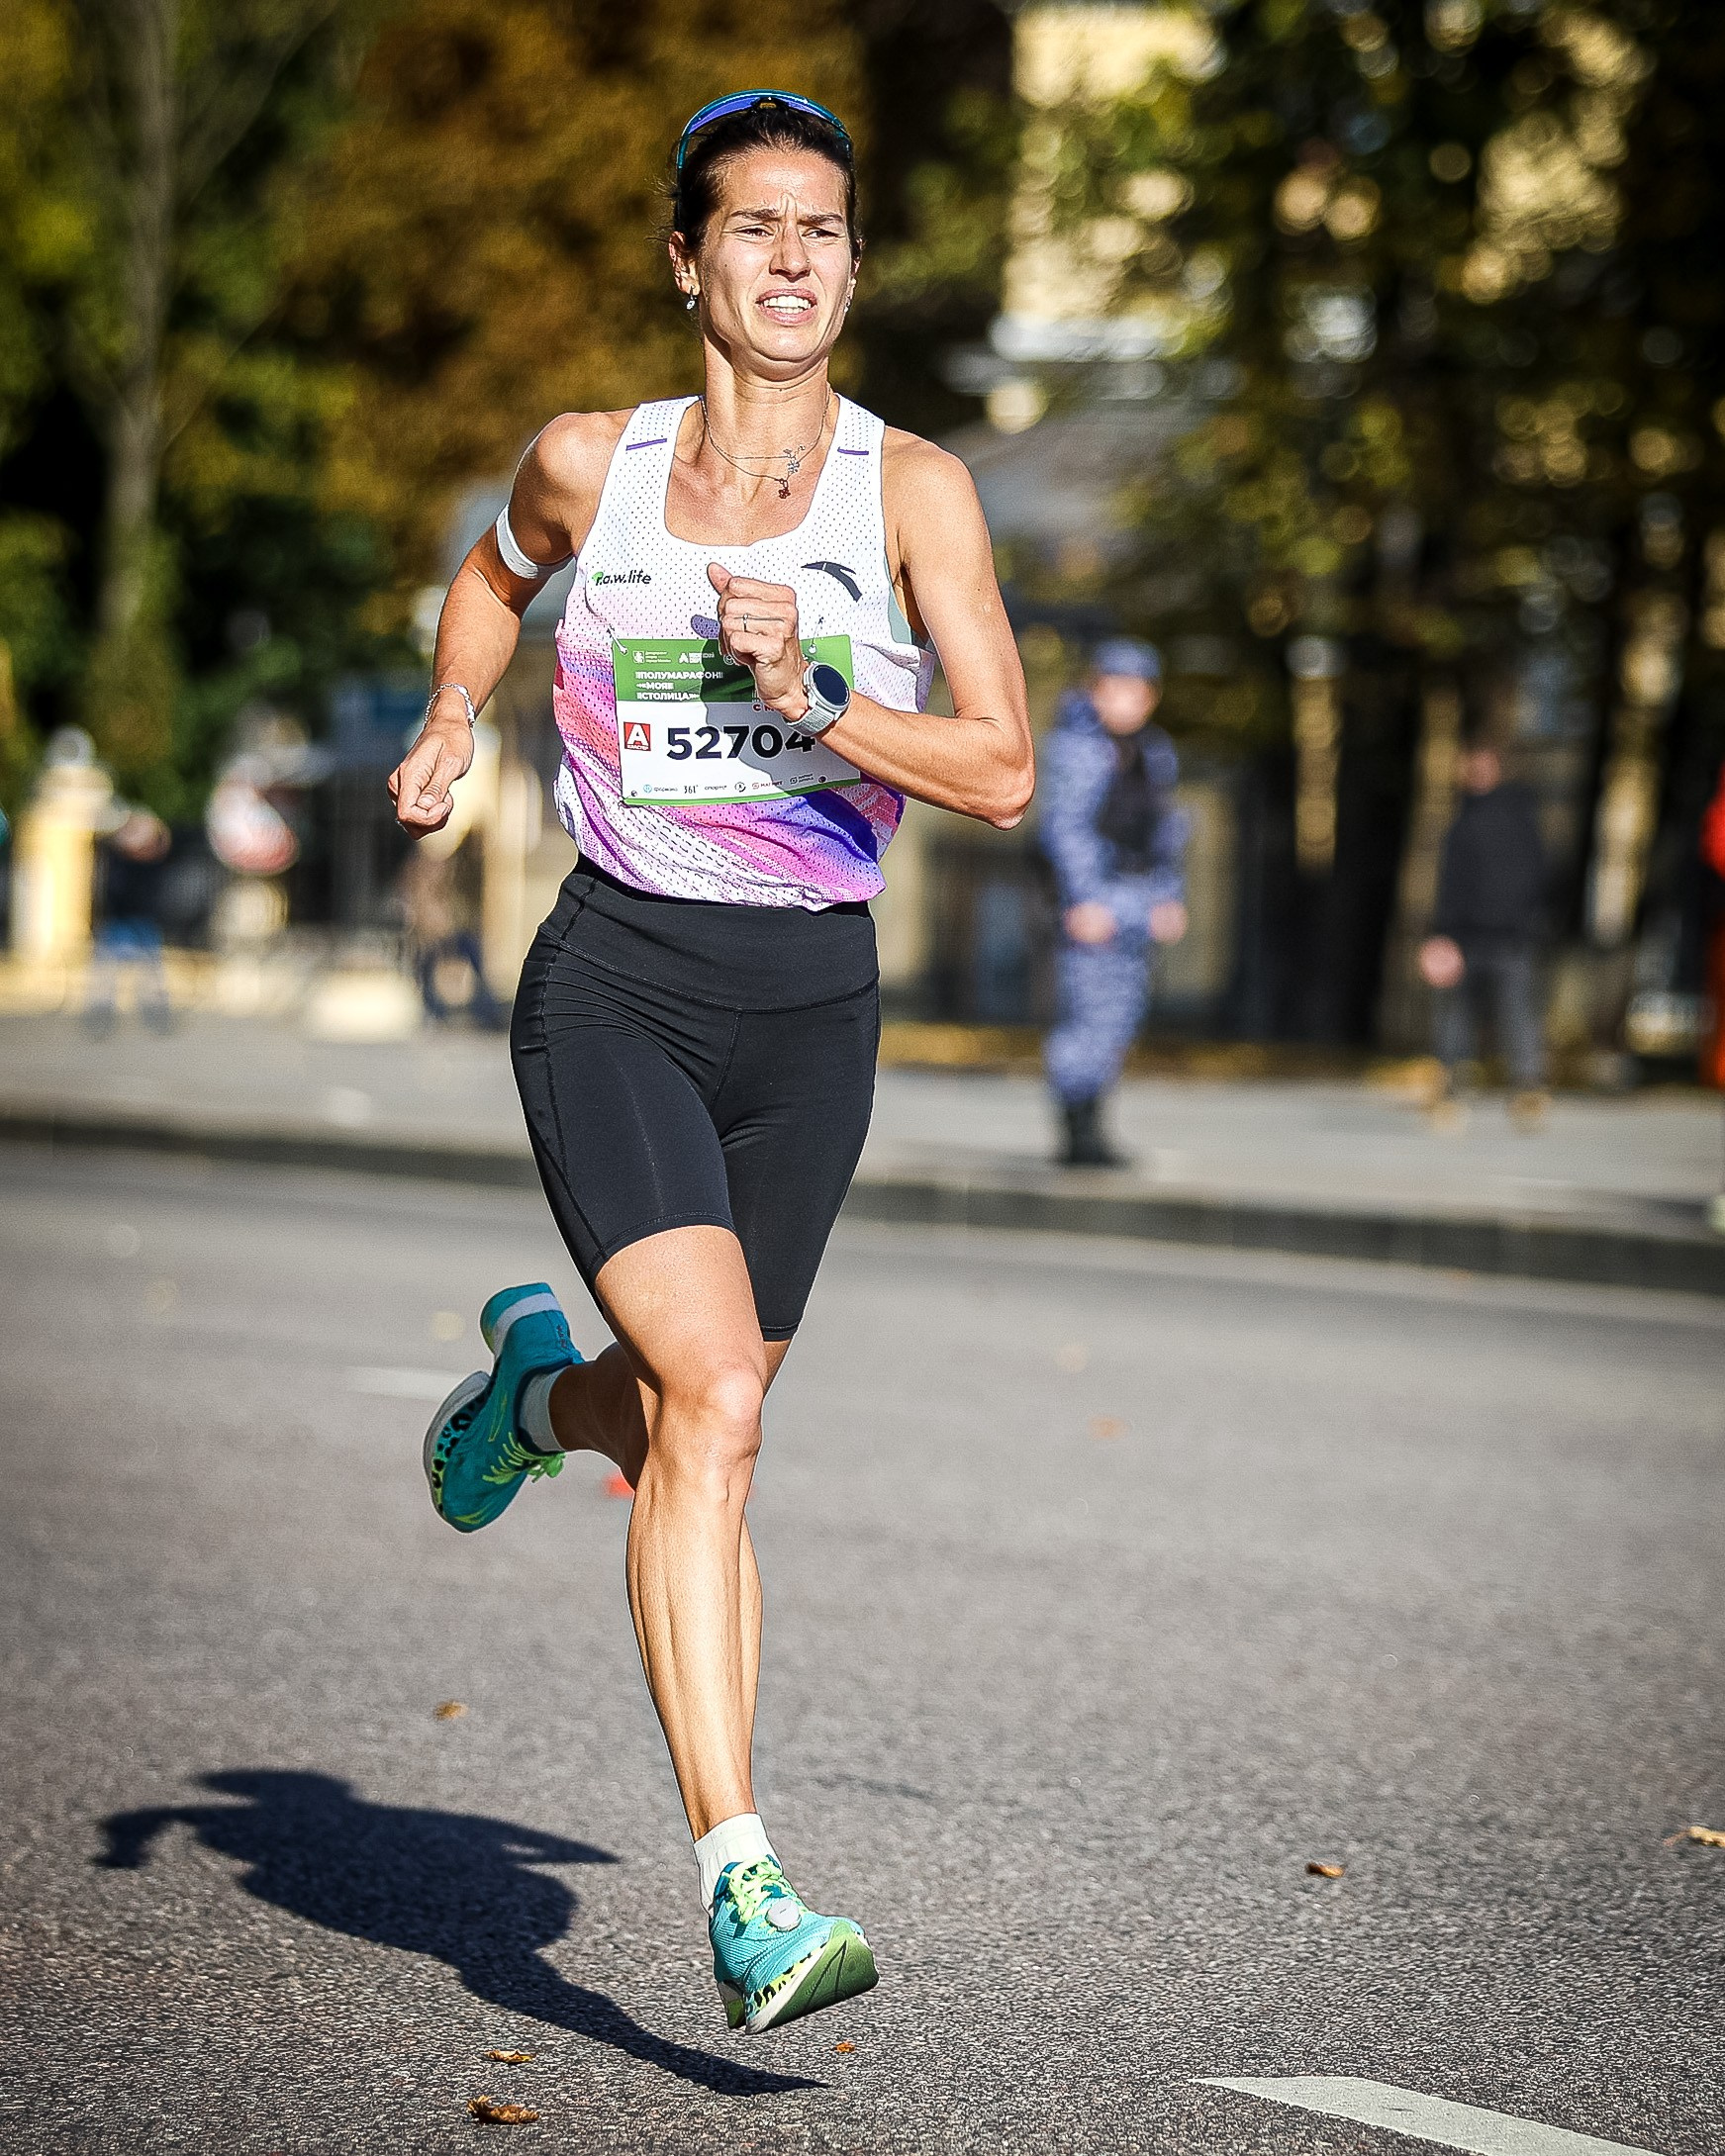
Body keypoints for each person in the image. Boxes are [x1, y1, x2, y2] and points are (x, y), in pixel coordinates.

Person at [386, 91, 1032, 2037]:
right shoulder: (596, 466)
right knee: (728, 1413)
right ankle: (741, 1880)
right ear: (687, 258)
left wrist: (822, 697)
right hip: (622, 979)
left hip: (810, 1007)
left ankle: (531, 1391)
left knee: (685, 1417)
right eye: (754, 227)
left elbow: (997, 768)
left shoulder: (908, 493)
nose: (792, 261)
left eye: (824, 231)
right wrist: (441, 718)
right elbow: (496, 580)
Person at [1039, 638, 1188, 1167]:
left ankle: (1096, 1125)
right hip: (1097, 902)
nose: (1127, 701)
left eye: (1138, 691)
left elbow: (1166, 829)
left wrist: (1169, 895)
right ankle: (1076, 1133)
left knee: (1121, 1016)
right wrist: (1085, 900)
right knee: (1086, 1016)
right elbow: (1066, 831)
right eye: (1115, 688)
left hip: (1138, 896)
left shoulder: (1154, 751)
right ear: (1095, 690)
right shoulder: (1076, 749)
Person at [1418, 739, 1549, 1126]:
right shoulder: (1461, 822)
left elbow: (1538, 877)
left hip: (1511, 935)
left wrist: (1526, 919)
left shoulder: (1518, 821)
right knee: (1456, 1016)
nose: (1474, 773)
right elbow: (1450, 886)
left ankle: (1528, 1090)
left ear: (1495, 768)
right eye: (1469, 766)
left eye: (1481, 766)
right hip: (1465, 936)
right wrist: (1442, 933)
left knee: (1516, 1014)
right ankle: (1450, 1086)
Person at [83, 808, 174, 1036]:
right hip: (118, 921)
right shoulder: (116, 855)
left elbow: (163, 841)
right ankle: (101, 1019)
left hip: (142, 921)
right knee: (106, 977)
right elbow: (107, 840)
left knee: (151, 976)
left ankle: (157, 1017)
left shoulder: (152, 859)